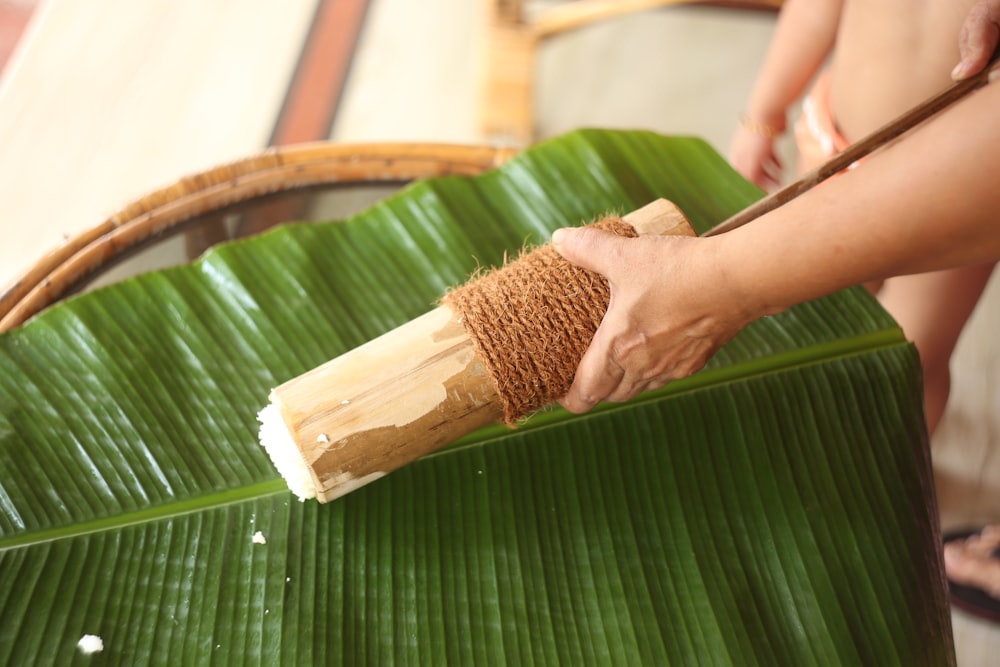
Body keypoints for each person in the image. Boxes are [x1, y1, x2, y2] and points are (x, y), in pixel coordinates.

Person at [550, 0, 1000, 618]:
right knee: (816, 314)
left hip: (959, 195)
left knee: (916, 352)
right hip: (837, 145)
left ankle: (885, 481)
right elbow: (817, 9)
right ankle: (808, 433)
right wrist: (763, 113)